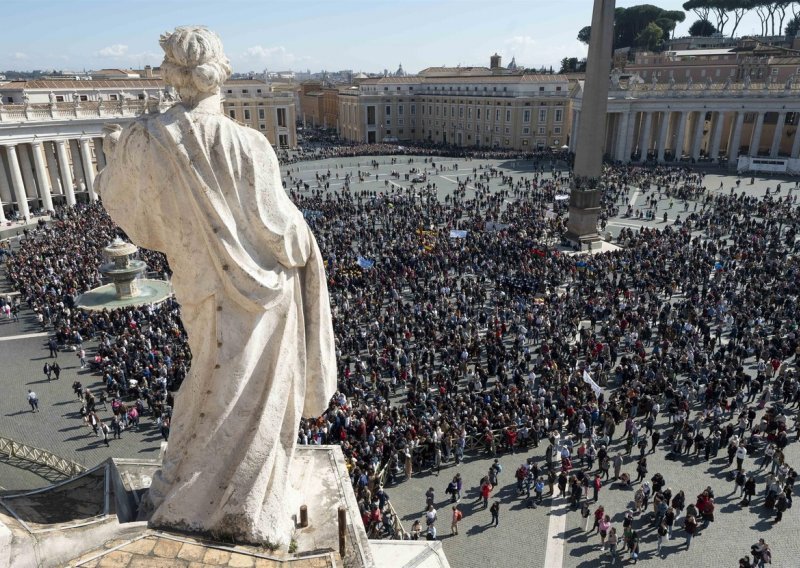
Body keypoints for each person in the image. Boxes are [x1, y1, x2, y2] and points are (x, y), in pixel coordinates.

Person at [98, 26, 336, 543]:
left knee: (209, 380)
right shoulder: (247, 145)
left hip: (197, 285)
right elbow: (284, 236)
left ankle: (189, 486)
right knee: (245, 395)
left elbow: (127, 212)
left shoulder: (144, 138)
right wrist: (308, 246)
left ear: (172, 76)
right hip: (263, 299)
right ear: (219, 74)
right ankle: (247, 502)